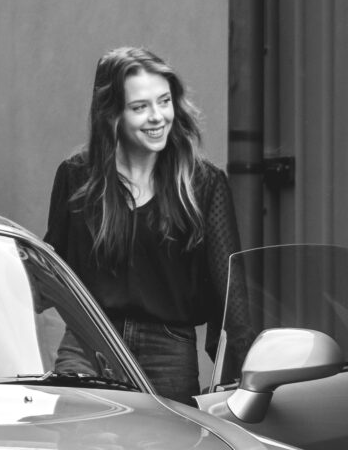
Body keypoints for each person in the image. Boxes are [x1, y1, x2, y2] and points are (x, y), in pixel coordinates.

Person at [44, 46, 253, 406]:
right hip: (90, 341)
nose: (158, 117)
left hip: (168, 351)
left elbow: (230, 290)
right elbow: (52, 270)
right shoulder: (77, 176)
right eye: (140, 107)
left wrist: (247, 374)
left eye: (164, 101)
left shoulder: (204, 184)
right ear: (113, 115)